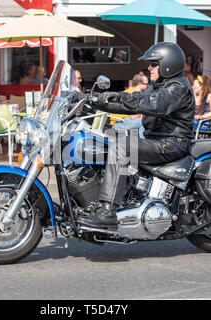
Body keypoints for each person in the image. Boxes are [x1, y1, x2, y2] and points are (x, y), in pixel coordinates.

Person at [78, 42, 195, 227]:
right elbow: (132, 104)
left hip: (171, 144)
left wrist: (120, 95)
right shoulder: (158, 85)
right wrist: (94, 102)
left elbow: (155, 104)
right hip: (156, 141)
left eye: (154, 63)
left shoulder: (177, 87)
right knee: (105, 141)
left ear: (168, 64)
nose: (149, 67)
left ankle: (108, 210)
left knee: (122, 145)